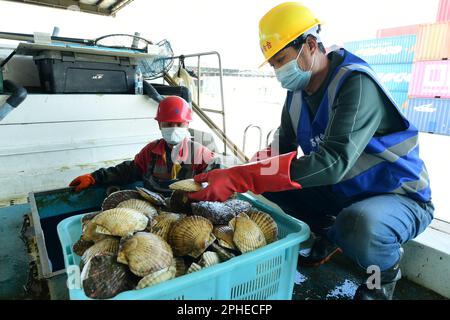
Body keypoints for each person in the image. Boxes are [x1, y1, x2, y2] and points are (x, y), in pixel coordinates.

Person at [188, 2, 434, 300]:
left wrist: (243, 178)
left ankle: (381, 279)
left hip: (398, 197)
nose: (278, 71)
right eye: (273, 64)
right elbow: (282, 148)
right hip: (345, 193)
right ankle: (330, 237)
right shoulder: (295, 95)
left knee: (360, 225)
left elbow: (333, 163)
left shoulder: (355, 83)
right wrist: (250, 164)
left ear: (310, 45)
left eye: (281, 59)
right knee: (274, 185)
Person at [69, 95, 219, 196]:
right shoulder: (150, 152)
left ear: (187, 124)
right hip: (153, 210)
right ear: (160, 125)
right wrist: (94, 177)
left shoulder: (201, 154)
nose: (173, 128)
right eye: (168, 124)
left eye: (179, 124)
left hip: (186, 215)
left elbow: (218, 181)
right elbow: (127, 171)